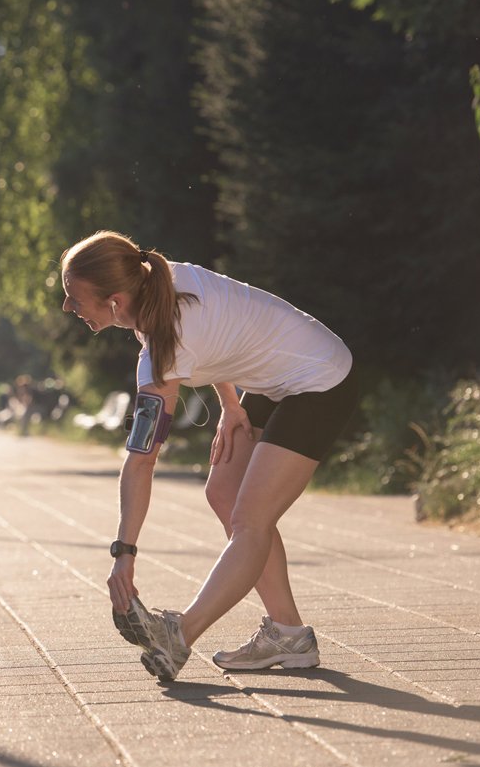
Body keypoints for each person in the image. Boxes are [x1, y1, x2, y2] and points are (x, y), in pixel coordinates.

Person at [60, 230, 357, 682]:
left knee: (250, 521)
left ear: (116, 302)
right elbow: (221, 334)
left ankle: (180, 634)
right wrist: (231, 403)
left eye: (74, 297)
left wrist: (125, 552)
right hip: (273, 381)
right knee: (223, 492)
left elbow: (141, 460)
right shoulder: (157, 284)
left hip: (320, 380)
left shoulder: (161, 346)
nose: (68, 307)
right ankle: (289, 634)